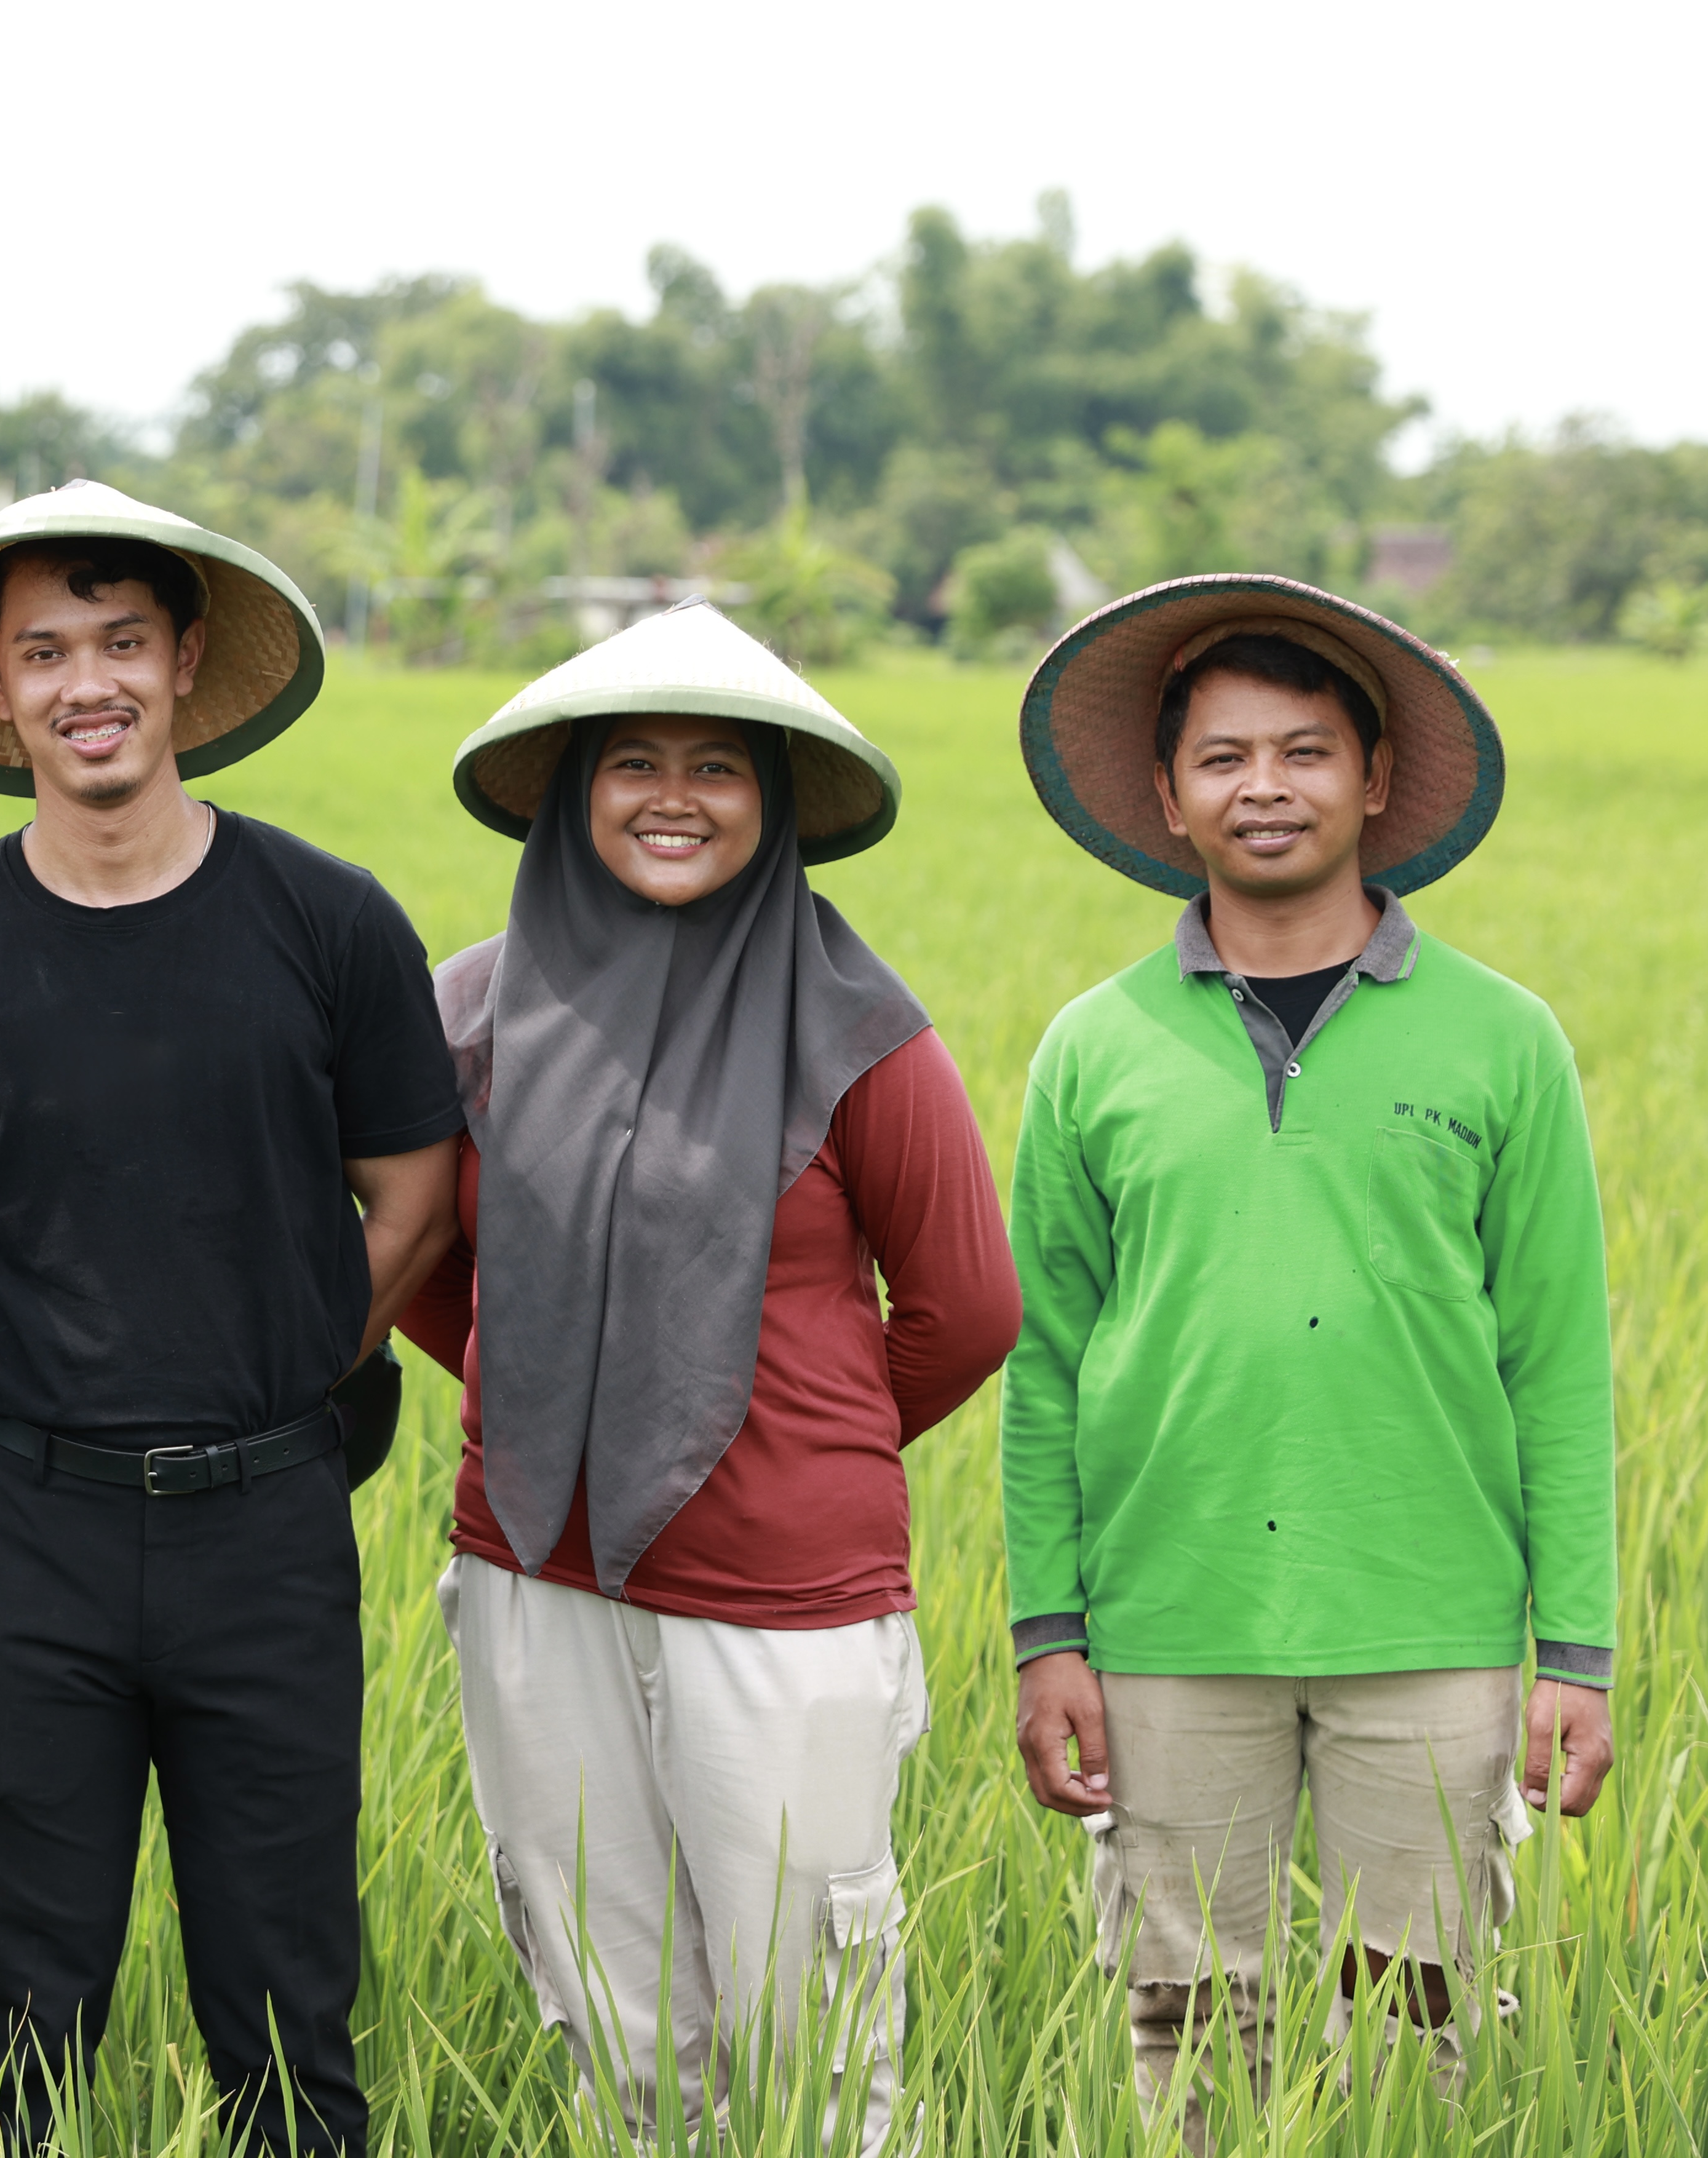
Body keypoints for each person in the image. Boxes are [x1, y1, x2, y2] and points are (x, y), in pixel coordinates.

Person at [0, 483, 462, 2154]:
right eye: (45, 652)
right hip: (30, 1537)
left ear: (185, 663)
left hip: (269, 1526)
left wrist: (289, 1374)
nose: (85, 683)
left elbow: (415, 1198)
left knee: (286, 2002)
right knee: (17, 2011)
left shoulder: (329, 923)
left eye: (120, 643)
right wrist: (21, 1392)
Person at [395, 603, 1019, 2149]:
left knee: (810, 2030)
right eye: (631, 763)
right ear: (569, 791)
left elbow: (964, 1307)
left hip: (787, 1600)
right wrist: (544, 1400)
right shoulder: (467, 1017)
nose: (672, 794)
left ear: (776, 802)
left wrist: (786, 1436)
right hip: (535, 1574)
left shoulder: (861, 1032)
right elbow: (416, 1258)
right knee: (612, 2021)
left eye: (718, 767)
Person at [1003, 574, 1616, 2134]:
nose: (1260, 788)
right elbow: (1044, 1362)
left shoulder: (1500, 1038)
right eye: (1220, 758)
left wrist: (1576, 1656)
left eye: (1300, 752)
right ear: (1165, 795)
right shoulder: (1095, 1044)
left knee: (1412, 2034)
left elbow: (1554, 1360)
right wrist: (1044, 1632)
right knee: (1186, 2030)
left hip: (1428, 1619)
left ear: (1373, 781)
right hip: (1166, 1617)